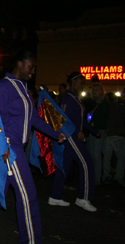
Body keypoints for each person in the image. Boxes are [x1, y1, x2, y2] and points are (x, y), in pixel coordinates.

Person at [0, 50, 66, 244]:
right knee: (28, 196)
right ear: (20, 64)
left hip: (16, 148)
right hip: (8, 149)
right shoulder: (3, 87)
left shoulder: (23, 88)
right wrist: (2, 148)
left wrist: (56, 134)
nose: (32, 72)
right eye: (31, 67)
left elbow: (33, 118)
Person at [49, 72, 101, 212]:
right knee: (86, 163)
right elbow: (63, 118)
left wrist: (94, 131)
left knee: (64, 167)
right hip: (71, 136)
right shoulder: (67, 98)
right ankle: (83, 198)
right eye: (80, 82)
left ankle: (55, 196)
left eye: (83, 83)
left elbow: (82, 120)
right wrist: (77, 131)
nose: (82, 85)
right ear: (73, 82)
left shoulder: (76, 99)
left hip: (74, 135)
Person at [102, 92, 125, 186]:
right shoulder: (119, 107)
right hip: (118, 136)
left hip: (107, 135)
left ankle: (106, 176)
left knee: (106, 158)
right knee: (121, 158)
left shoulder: (105, 108)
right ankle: (119, 177)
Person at [86, 83, 109, 185]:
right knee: (91, 154)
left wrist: (95, 123)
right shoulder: (92, 102)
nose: (95, 92)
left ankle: (96, 178)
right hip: (92, 129)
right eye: (94, 90)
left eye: (97, 90)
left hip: (99, 130)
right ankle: (92, 176)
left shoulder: (104, 103)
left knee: (96, 155)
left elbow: (105, 117)